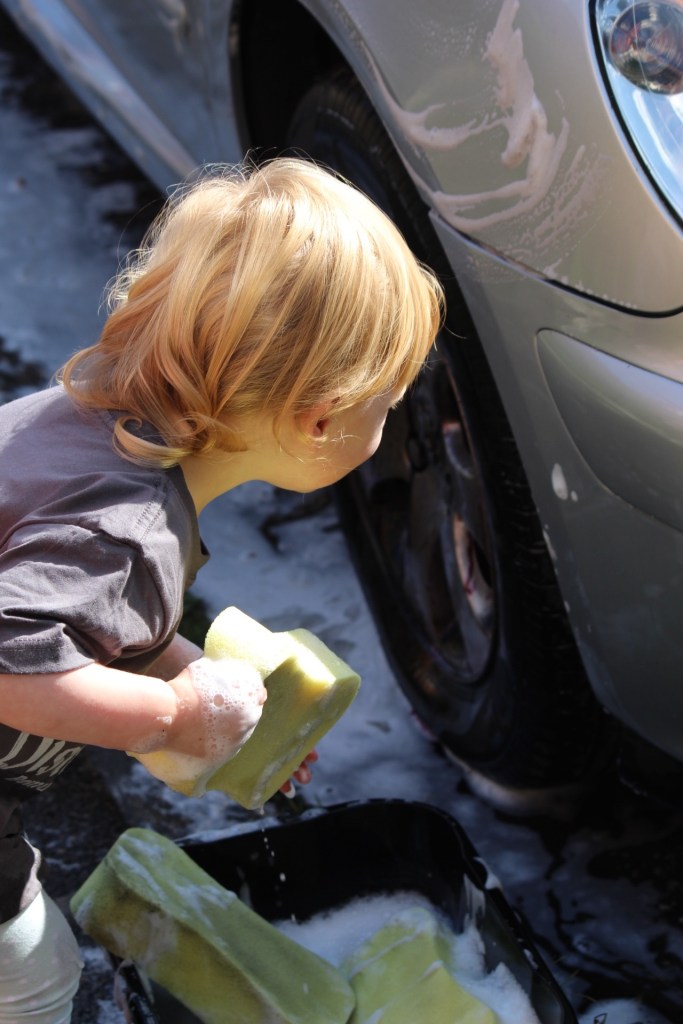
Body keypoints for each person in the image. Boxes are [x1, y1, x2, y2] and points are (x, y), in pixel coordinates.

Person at [0, 156, 444, 1021]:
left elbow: (83, 614)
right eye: (383, 405)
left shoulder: (87, 425)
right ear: (320, 419)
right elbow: (13, 662)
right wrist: (171, 720)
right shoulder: (128, 530)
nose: (383, 425)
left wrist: (186, 682)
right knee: (38, 980)